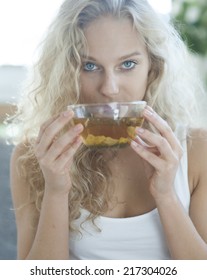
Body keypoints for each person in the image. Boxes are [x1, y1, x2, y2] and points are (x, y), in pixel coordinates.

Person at [9, 0, 207, 260]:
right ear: (66, 72)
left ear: (153, 68)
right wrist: (56, 191)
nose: (110, 88)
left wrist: (166, 195)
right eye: (89, 66)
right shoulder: (36, 157)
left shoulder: (197, 150)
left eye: (127, 65)